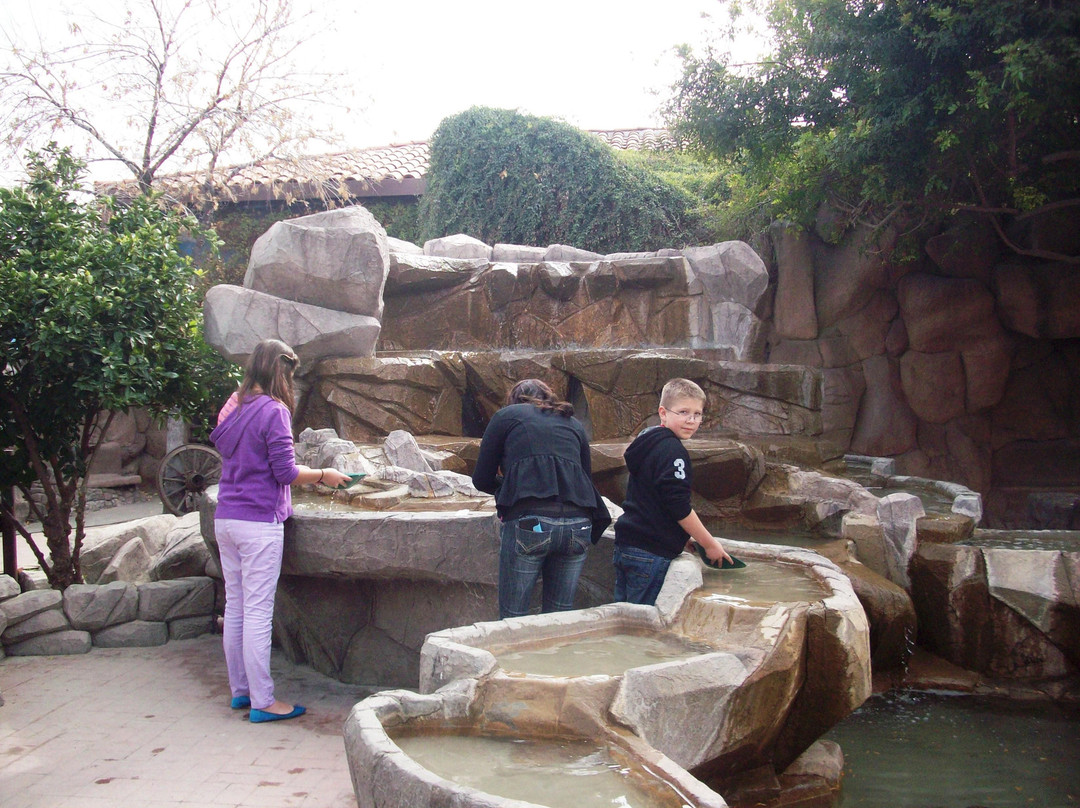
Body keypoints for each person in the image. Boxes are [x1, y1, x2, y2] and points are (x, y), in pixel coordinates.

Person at [210, 339, 349, 723]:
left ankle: (241, 691)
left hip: (227, 518)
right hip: (258, 522)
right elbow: (285, 472)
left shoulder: (234, 404)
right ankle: (263, 702)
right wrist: (323, 475)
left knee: (236, 607)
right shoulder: (274, 411)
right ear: (281, 372)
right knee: (257, 613)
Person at [472, 379, 611, 619]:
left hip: (532, 524)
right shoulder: (573, 424)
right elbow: (585, 480)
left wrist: (512, 487)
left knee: (514, 617)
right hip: (578, 526)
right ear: (548, 397)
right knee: (559, 618)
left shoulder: (506, 416)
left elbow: (481, 479)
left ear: (514, 401)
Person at [613, 378, 732, 606]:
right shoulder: (673, 451)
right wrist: (709, 544)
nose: (691, 420)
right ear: (663, 413)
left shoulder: (647, 440)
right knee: (641, 620)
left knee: (622, 614)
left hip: (628, 543)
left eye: (697, 414)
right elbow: (678, 505)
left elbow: (652, 499)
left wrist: (681, 536)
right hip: (651, 552)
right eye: (683, 412)